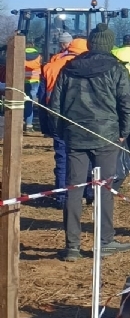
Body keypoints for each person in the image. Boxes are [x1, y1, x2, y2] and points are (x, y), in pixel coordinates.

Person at [49, 24, 130, 262]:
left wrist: (61, 132)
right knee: (104, 189)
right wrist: (123, 133)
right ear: (109, 44)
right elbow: (128, 104)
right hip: (105, 135)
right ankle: (105, 240)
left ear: (90, 43)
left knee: (74, 189)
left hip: (76, 135)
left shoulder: (69, 68)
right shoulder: (117, 69)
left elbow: (54, 105)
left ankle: (72, 245)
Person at [40, 37, 90, 206]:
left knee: (62, 158)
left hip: (58, 118)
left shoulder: (51, 66)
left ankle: (62, 197)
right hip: (84, 120)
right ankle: (87, 193)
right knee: (87, 155)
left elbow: (42, 99)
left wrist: (45, 125)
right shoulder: (90, 69)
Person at [23, 46, 42, 133]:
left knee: (18, 103)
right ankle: (29, 125)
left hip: (22, 81)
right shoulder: (39, 56)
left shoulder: (21, 54)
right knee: (29, 103)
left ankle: (19, 122)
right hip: (35, 81)